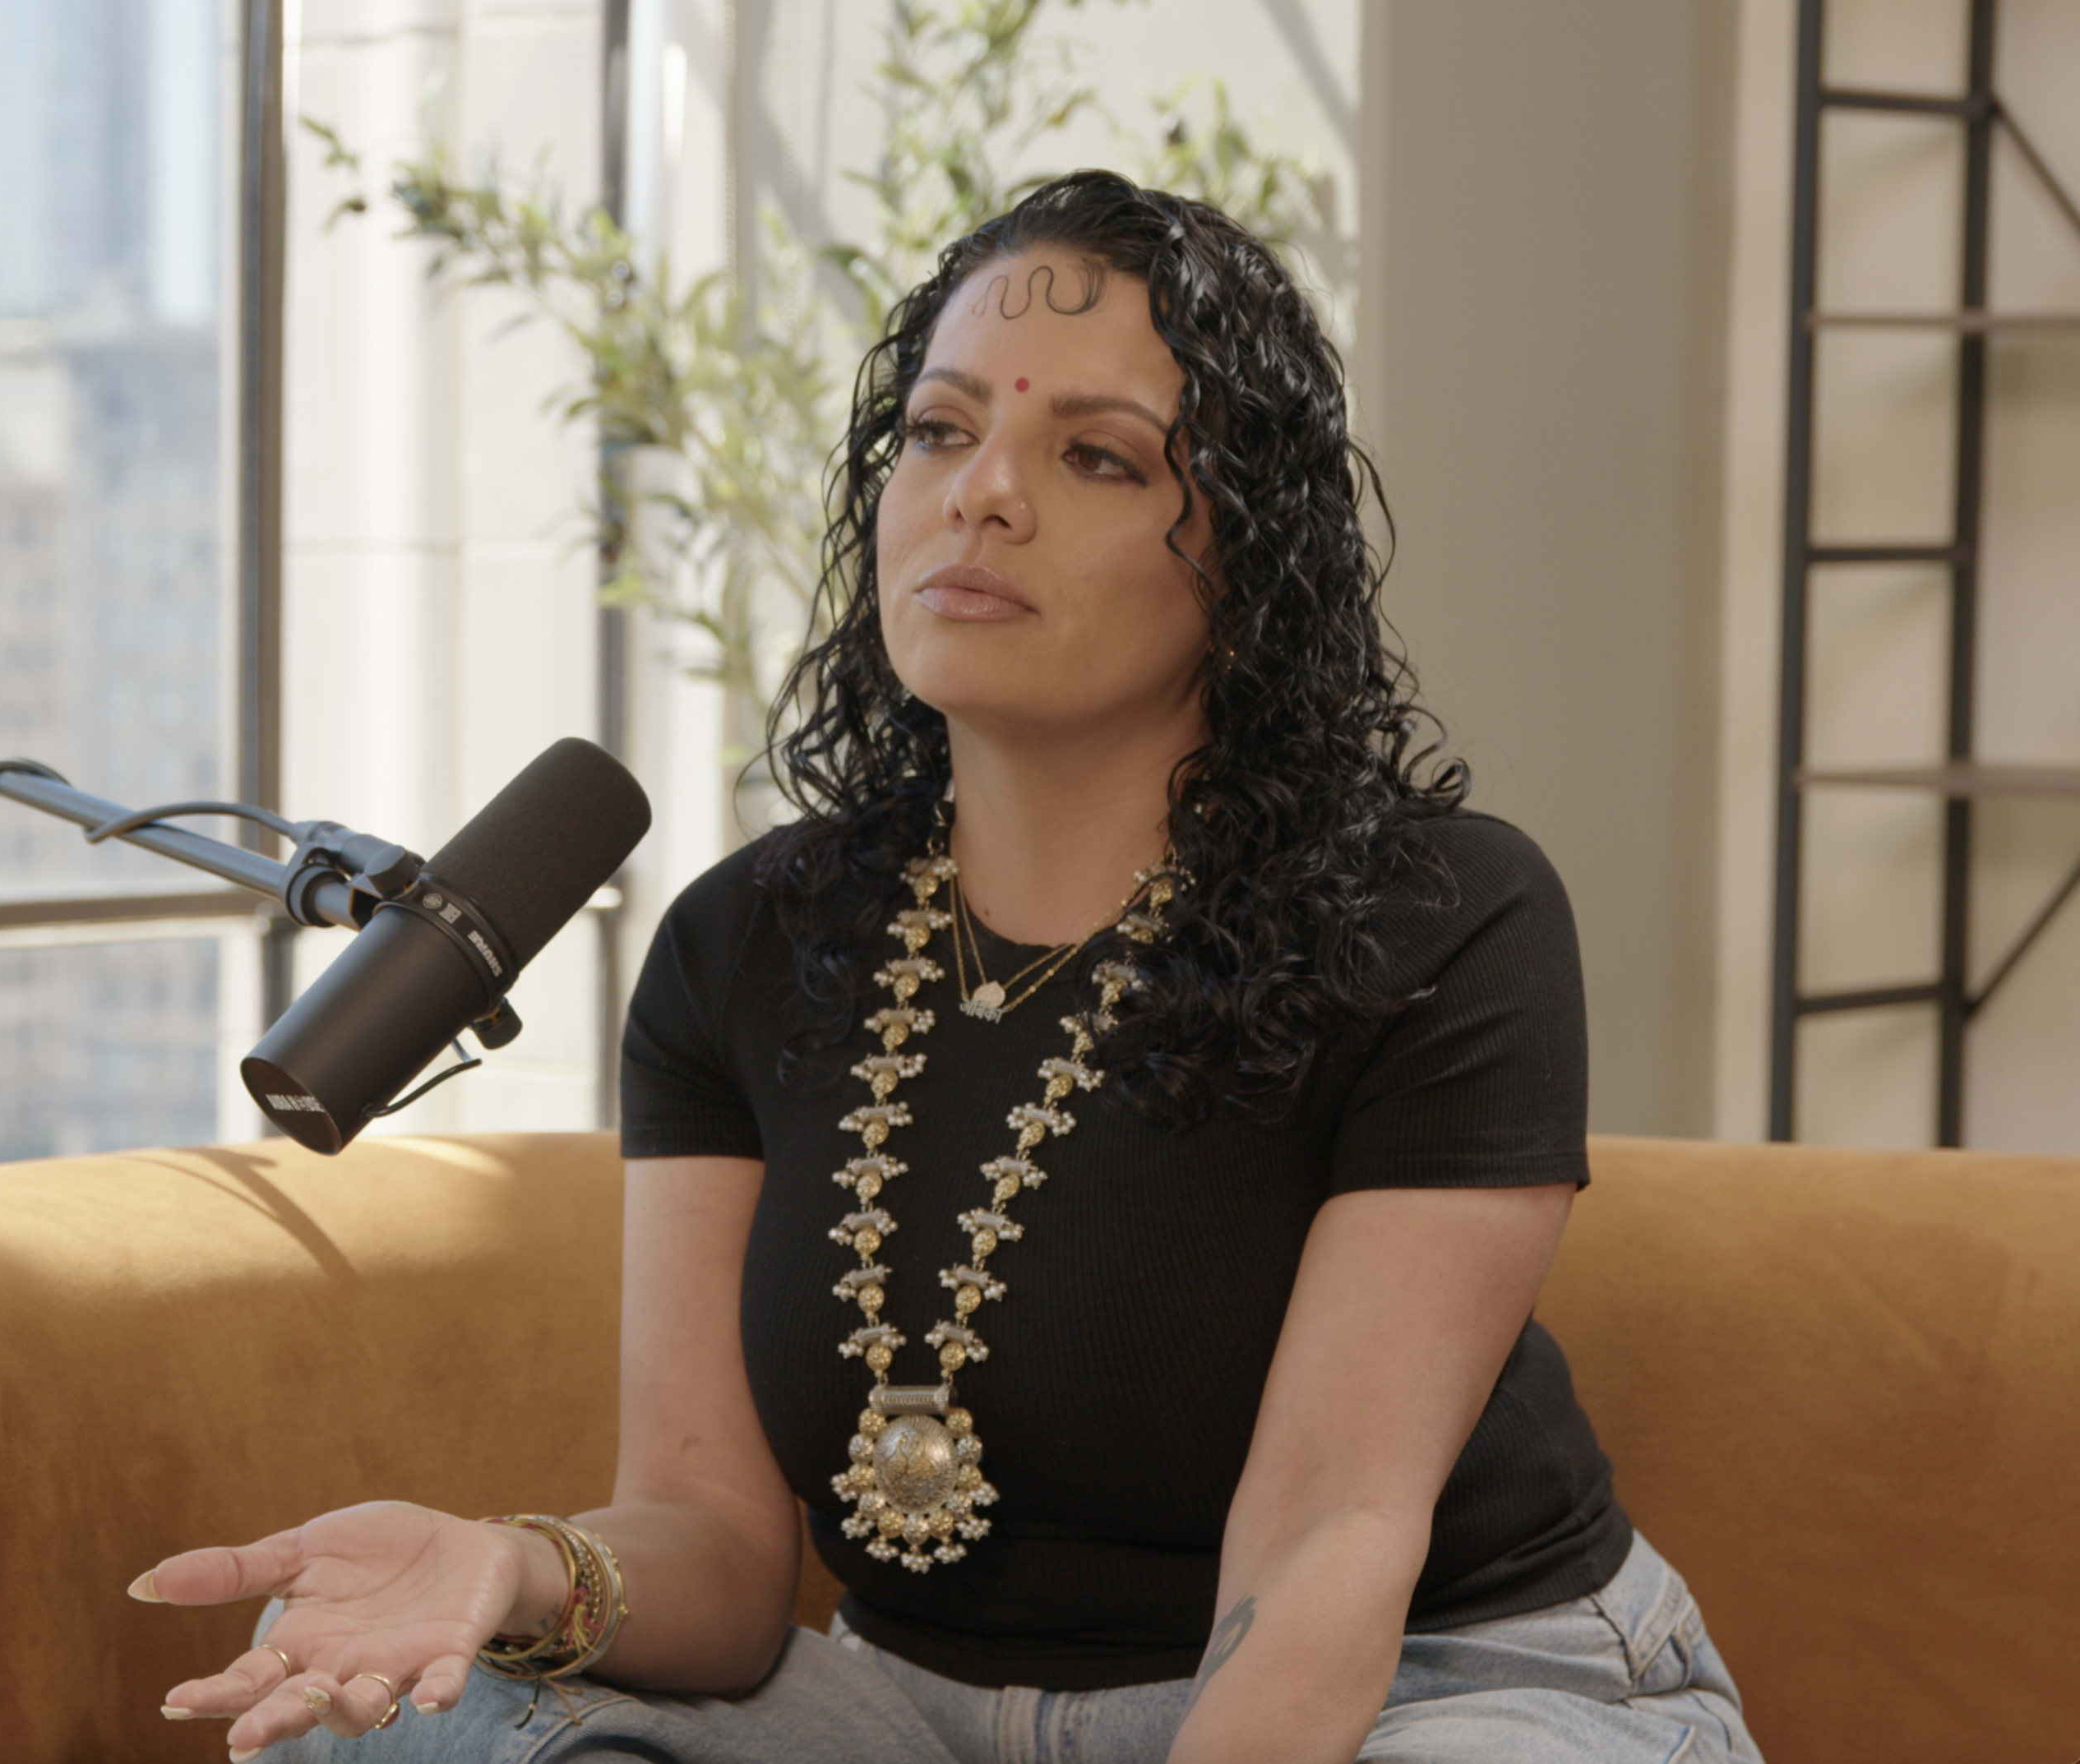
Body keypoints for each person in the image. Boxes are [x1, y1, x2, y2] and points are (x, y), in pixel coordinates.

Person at [124, 170, 1763, 1764]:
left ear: (1246, 561)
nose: (982, 492)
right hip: (908, 1705)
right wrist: (523, 1566)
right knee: (400, 1704)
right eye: (937, 429)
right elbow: (716, 1550)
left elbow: (1327, 1544)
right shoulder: (742, 944)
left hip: (1422, 1687)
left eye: (1097, 457)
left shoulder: (1438, 919)